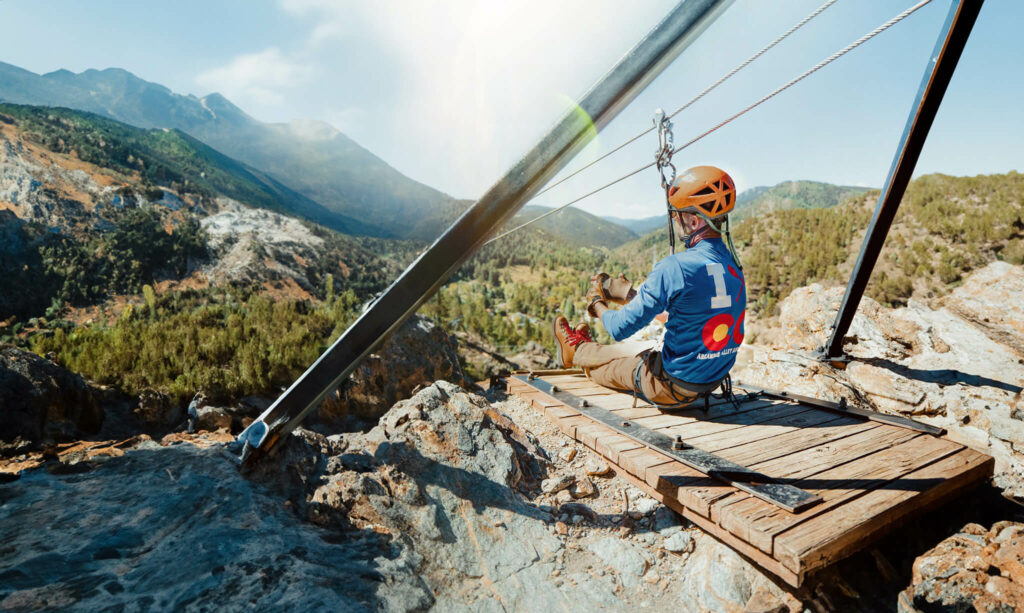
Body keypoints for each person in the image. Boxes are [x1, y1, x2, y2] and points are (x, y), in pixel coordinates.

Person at [552, 165, 747, 410]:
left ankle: (577, 351)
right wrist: (634, 298)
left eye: (676, 216)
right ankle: (582, 349)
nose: (675, 221)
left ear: (693, 220)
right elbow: (691, 313)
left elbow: (618, 328)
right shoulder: (733, 266)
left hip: (671, 387)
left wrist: (596, 303)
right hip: (710, 381)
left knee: (608, 366)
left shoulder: (675, 266)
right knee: (633, 350)